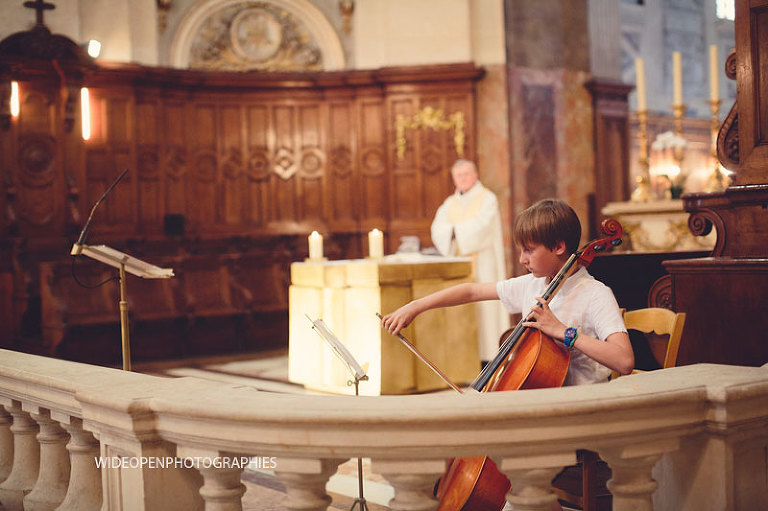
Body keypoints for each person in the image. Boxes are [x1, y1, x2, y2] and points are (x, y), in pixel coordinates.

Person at [384, 198, 634, 385]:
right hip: (543, 401)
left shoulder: (594, 294)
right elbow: (471, 292)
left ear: (558, 246)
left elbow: (624, 361)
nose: (523, 259)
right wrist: (415, 306)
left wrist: (563, 332)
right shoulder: (533, 284)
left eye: (529, 250)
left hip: (583, 405)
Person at [430, 159, 510, 367]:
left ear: (475, 175)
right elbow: (438, 228)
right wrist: (452, 231)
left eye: (466, 174)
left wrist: (455, 231)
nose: (462, 179)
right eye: (458, 175)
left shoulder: (487, 198)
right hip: (460, 265)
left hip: (484, 265)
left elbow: (482, 227)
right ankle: (464, 362)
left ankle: (489, 361)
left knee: (486, 312)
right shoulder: (449, 203)